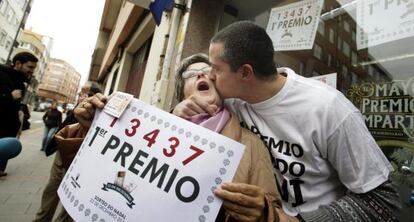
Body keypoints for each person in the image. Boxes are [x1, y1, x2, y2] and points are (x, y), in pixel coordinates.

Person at [173, 21, 400, 221]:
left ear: (245, 73)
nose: (210, 75)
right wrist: (178, 111)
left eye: (216, 69)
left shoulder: (327, 107)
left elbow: (383, 203)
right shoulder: (233, 101)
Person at [33, 82, 102, 222]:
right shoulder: (79, 107)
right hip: (63, 152)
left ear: (93, 95)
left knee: (71, 198)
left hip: (82, 158)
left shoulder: (97, 111)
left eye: (83, 92)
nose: (79, 94)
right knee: (52, 189)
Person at [0, 51, 38, 138]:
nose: (32, 71)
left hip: (8, 133)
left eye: (34, 68)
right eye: (30, 67)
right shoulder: (2, 75)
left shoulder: (21, 83)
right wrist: (10, 97)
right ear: (18, 64)